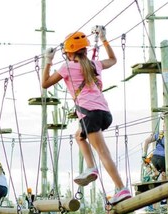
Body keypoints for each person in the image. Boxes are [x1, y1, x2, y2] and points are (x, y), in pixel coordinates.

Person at [41, 26, 131, 204]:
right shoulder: (94, 64)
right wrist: (104, 39)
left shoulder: (66, 68)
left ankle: (121, 188)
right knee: (79, 136)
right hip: (104, 113)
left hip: (89, 114)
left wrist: (48, 61)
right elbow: (113, 60)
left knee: (103, 152)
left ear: (68, 53)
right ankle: (91, 167)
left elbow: (45, 83)